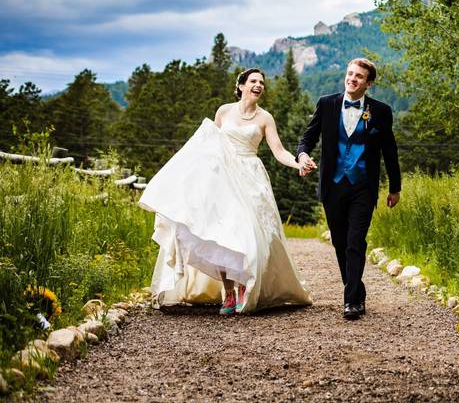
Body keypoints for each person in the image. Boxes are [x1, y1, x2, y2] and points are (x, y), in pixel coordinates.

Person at [139, 68, 312, 315]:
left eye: (261, 82)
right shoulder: (223, 111)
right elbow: (208, 145)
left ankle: (245, 287)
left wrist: (298, 164)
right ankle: (228, 292)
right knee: (221, 234)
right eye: (253, 81)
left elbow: (279, 151)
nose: (258, 85)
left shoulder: (265, 118)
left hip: (250, 177)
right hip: (222, 177)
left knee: (244, 233)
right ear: (241, 85)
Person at [296, 57, 401, 320]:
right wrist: (302, 155)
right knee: (340, 242)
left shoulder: (381, 111)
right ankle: (356, 289)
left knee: (355, 241)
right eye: (350, 74)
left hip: (363, 187)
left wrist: (394, 187)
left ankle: (352, 300)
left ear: (369, 83)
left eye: (359, 76)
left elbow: (390, 151)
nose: (352, 79)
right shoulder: (326, 104)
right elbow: (308, 137)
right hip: (332, 186)